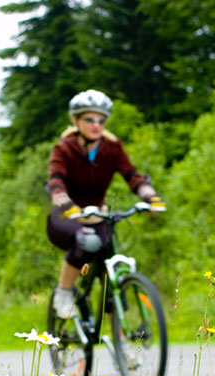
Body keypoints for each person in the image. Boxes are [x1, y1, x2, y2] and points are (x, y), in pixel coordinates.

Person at [46, 89, 164, 319]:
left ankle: (121, 339)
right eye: (89, 119)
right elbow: (56, 182)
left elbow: (133, 176)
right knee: (87, 242)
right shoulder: (64, 149)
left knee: (111, 269)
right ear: (76, 120)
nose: (96, 125)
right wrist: (65, 204)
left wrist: (150, 197)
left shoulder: (112, 149)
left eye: (101, 120)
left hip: (98, 214)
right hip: (66, 216)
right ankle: (64, 291)